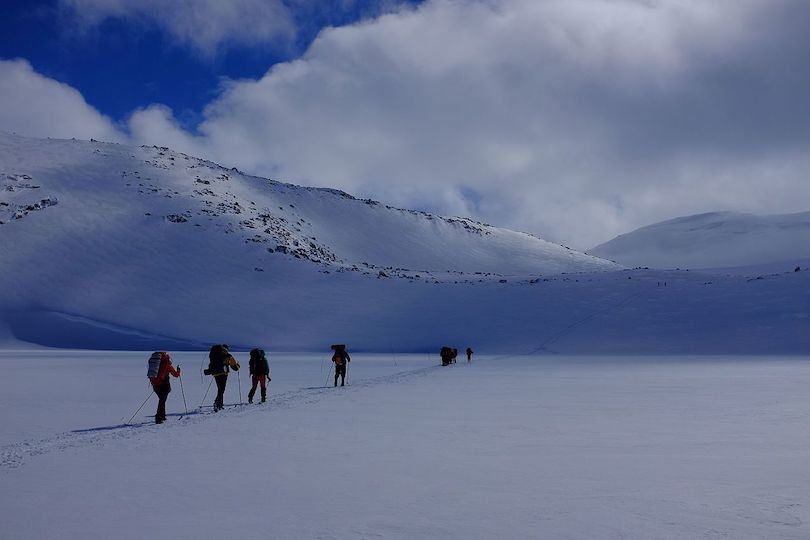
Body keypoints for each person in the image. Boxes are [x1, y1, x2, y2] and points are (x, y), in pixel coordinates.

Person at [148, 351, 180, 424]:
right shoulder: (167, 364)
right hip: (164, 385)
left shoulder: (156, 362)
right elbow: (176, 375)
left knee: (162, 400)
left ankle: (162, 416)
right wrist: (178, 370)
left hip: (155, 385)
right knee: (162, 401)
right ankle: (158, 417)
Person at [207, 344, 239, 411]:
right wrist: (238, 366)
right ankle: (217, 404)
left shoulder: (215, 354)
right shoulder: (228, 355)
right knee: (221, 390)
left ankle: (220, 405)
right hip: (223, 374)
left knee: (220, 389)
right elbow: (234, 367)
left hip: (215, 373)